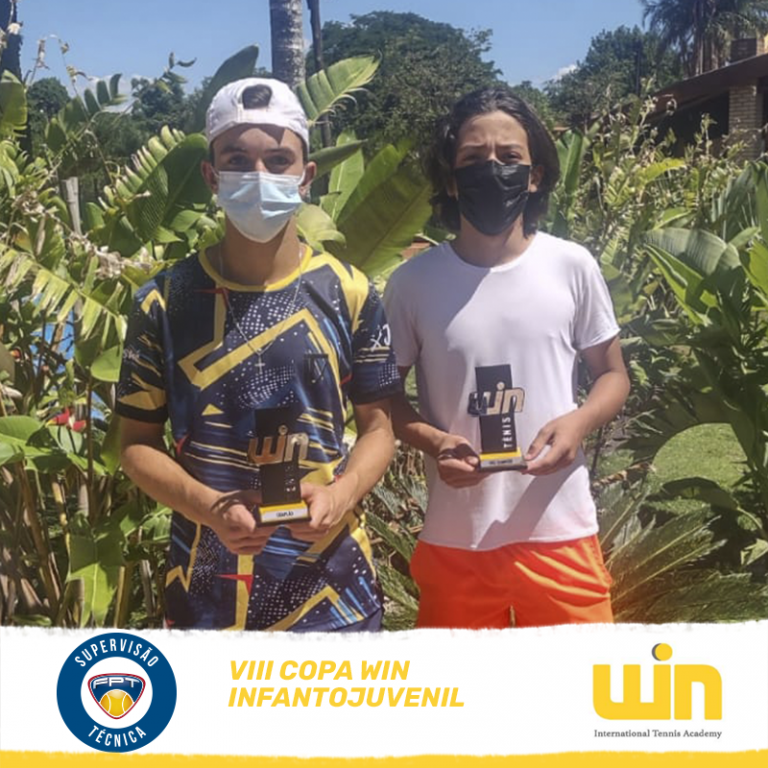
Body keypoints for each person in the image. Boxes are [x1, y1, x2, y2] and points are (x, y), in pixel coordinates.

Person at [116, 78, 400, 631]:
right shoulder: (164, 301)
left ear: (306, 176)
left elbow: (379, 430)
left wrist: (340, 495)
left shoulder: (351, 292)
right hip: (206, 597)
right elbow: (135, 445)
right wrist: (210, 508)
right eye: (237, 160)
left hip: (333, 597)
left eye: (277, 159)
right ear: (211, 176)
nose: (259, 174)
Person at [383, 87, 630, 629]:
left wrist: (579, 422)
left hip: (560, 530)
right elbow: (384, 399)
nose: (492, 169)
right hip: (457, 537)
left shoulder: (572, 266)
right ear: (452, 180)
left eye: (509, 156)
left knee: (581, 681)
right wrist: (434, 442)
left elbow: (613, 375)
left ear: (534, 175)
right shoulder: (413, 283)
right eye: (473, 158)